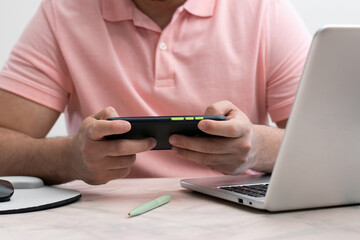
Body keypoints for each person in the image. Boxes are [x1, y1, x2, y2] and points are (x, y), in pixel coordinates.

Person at [0, 0, 311, 185]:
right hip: (106, 222)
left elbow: (334, 144)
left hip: (239, 216)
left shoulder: (262, 9)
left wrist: (255, 147)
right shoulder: (64, 11)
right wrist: (71, 159)